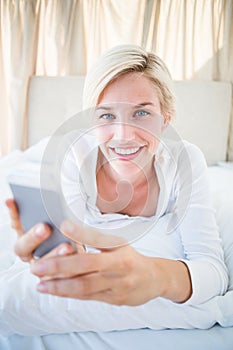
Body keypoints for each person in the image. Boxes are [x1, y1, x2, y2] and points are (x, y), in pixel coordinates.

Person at [4, 45, 228, 332]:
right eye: (106, 116)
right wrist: (46, 255)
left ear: (165, 119)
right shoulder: (72, 155)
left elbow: (212, 269)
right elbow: (73, 251)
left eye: (141, 114)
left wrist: (157, 277)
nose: (123, 136)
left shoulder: (185, 161)